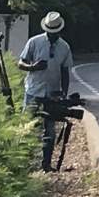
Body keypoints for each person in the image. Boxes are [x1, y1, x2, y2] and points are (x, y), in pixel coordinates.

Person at [17, 11, 73, 170]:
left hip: (52, 95)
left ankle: (46, 165)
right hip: (34, 91)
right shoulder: (34, 42)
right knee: (28, 128)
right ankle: (23, 165)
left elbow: (65, 72)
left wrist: (64, 94)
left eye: (55, 32)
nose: (52, 35)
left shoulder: (64, 47)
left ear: (59, 31)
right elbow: (21, 63)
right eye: (50, 32)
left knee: (50, 131)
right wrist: (32, 67)